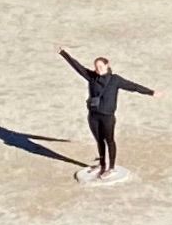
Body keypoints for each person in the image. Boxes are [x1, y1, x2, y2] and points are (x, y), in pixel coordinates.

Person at [58, 49, 153, 183]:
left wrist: (152, 92)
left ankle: (112, 167)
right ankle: (102, 165)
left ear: (107, 65)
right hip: (93, 115)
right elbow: (77, 66)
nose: (98, 69)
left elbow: (134, 87)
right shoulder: (92, 77)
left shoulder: (115, 80)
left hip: (107, 116)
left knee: (109, 140)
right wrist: (63, 53)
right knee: (99, 140)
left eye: (101, 66)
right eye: (96, 67)